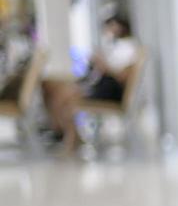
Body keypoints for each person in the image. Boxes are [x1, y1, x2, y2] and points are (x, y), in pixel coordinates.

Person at [41, 13, 139, 152]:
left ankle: (67, 135)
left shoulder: (129, 48)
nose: (109, 30)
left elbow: (122, 76)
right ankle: (66, 133)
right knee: (59, 91)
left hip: (110, 88)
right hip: (102, 83)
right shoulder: (115, 46)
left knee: (66, 96)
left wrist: (104, 66)